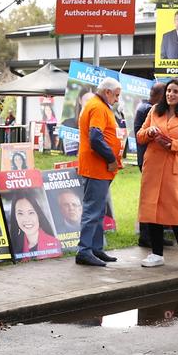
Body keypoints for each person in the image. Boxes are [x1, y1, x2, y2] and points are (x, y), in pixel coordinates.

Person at [136, 78, 178, 269]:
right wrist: (149, 132)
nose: (170, 94)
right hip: (152, 166)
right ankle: (157, 254)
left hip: (173, 165)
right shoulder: (155, 110)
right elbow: (140, 136)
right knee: (152, 208)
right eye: (169, 91)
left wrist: (173, 144)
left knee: (174, 208)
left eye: (175, 92)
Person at [74, 78, 123, 267]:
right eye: (116, 95)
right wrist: (111, 159)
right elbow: (95, 137)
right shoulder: (98, 107)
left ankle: (95, 248)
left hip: (100, 167)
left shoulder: (98, 105)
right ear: (107, 92)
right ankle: (84, 251)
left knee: (98, 209)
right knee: (92, 210)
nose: (117, 99)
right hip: (97, 166)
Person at [133, 80, 167, 249]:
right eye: (166, 94)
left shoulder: (143, 107)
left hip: (149, 159)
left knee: (157, 199)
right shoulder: (148, 110)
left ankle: (154, 236)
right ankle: (146, 236)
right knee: (150, 199)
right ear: (160, 95)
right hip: (149, 160)